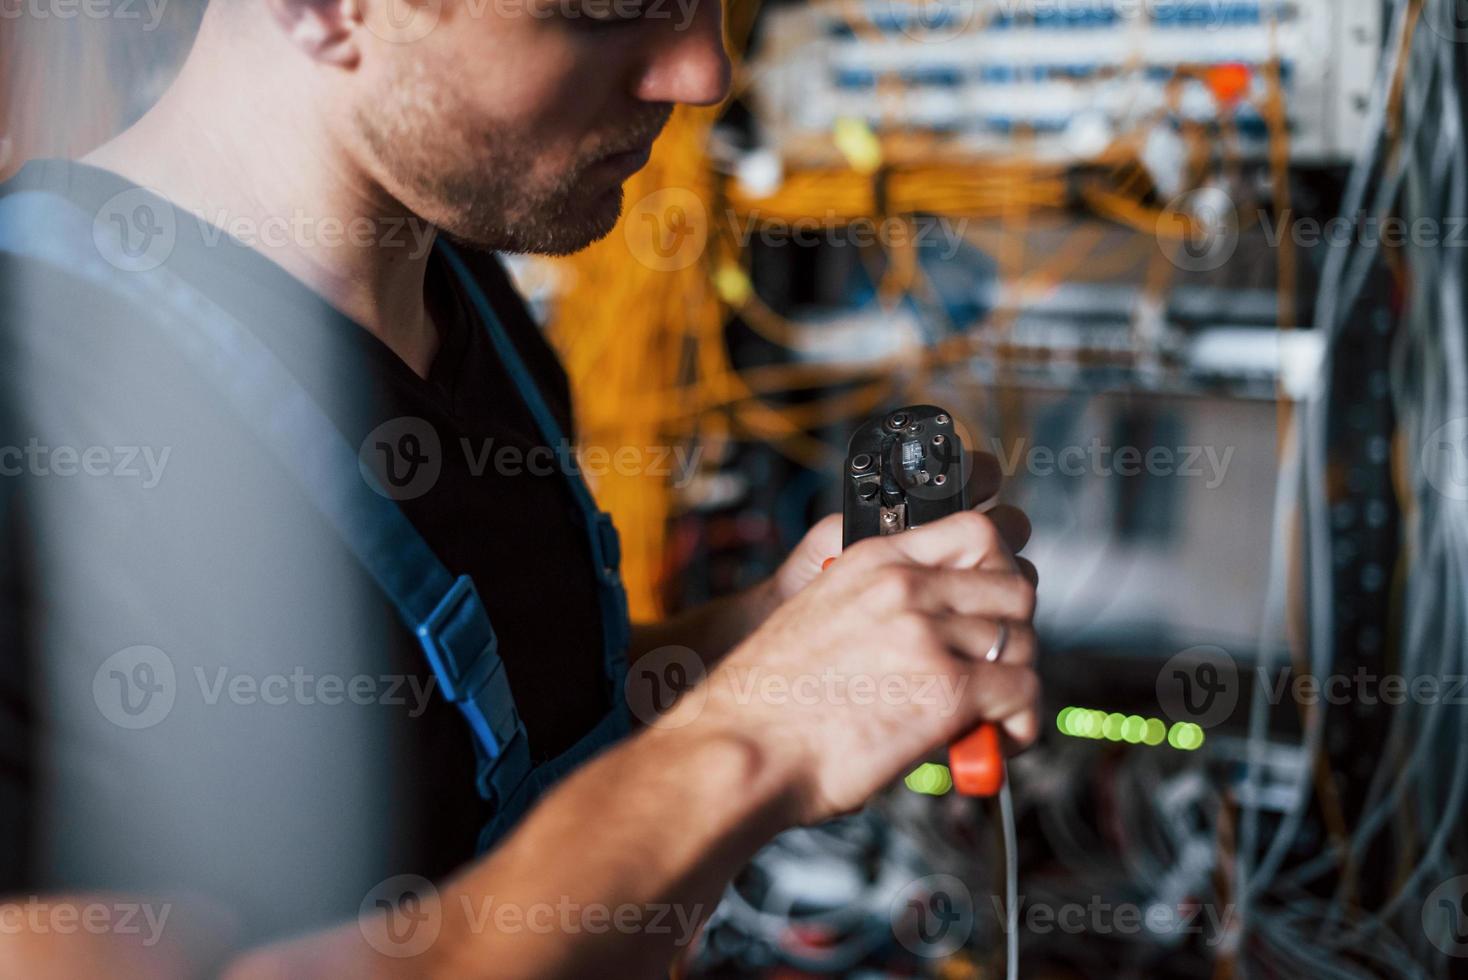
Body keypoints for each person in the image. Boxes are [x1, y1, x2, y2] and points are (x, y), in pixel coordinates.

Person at [0, 0, 1042, 976]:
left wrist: (769, 638)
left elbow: (486, 739)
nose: (702, 70)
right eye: (605, 7)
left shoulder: (462, 289)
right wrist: (742, 749)